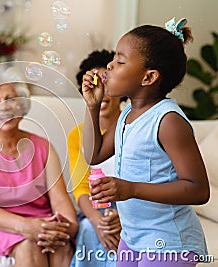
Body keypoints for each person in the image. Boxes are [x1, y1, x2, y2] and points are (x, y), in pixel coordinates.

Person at [82, 19, 210, 266]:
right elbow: (93, 154)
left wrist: (131, 189)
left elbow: (199, 189)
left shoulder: (168, 121)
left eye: (120, 61)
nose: (109, 65)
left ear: (148, 77)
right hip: (133, 238)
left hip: (169, 242)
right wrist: (92, 106)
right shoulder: (127, 115)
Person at [0, 66, 78, 267]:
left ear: (22, 106)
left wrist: (67, 227)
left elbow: (59, 197)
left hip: (41, 219)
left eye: (11, 99)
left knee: (62, 245)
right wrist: (27, 227)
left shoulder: (43, 147)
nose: (4, 107)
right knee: (28, 245)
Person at [68, 50, 123, 267]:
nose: (101, 91)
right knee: (91, 230)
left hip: (134, 207)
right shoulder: (77, 135)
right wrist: (97, 220)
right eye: (95, 83)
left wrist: (125, 218)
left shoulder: (135, 125)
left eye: (106, 83)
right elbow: (81, 188)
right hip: (96, 209)